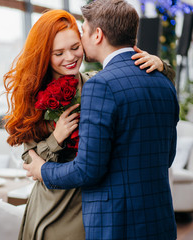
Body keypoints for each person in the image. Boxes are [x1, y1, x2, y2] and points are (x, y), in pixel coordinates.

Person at [23, 1, 179, 240]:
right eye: (58, 53)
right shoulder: (33, 97)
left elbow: (89, 169)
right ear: (46, 55)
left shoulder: (98, 82)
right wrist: (56, 139)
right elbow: (29, 158)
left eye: (76, 44)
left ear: (96, 35)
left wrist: (161, 65)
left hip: (103, 208)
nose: (71, 56)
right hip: (57, 206)